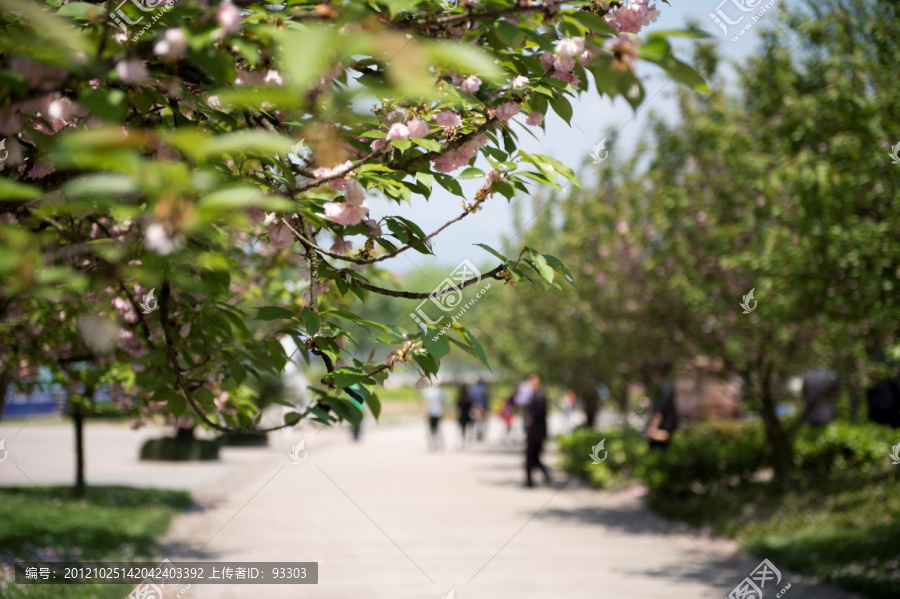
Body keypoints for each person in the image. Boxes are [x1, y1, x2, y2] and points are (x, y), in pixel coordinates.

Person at [523, 374, 551, 487]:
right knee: (532, 456)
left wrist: (531, 418)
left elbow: (539, 413)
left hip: (537, 432)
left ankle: (531, 480)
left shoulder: (540, 396)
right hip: (533, 431)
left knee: (532, 456)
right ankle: (532, 480)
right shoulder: (532, 395)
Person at [646, 362, 678, 451]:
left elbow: (660, 410)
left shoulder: (664, 387)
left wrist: (653, 428)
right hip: (665, 426)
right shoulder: (664, 386)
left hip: (664, 427)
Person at [423, 384, 446, 451]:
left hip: (431, 413)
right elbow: (443, 403)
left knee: (432, 429)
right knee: (438, 428)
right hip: (438, 412)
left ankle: (433, 443)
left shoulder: (428, 392)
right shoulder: (440, 391)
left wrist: (425, 414)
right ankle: (437, 443)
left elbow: (426, 404)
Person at [456, 383, 473, 448]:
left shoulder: (460, 399)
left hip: (462, 415)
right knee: (469, 429)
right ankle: (468, 441)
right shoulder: (468, 399)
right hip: (467, 415)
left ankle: (463, 441)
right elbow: (471, 407)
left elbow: (457, 408)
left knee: (463, 429)